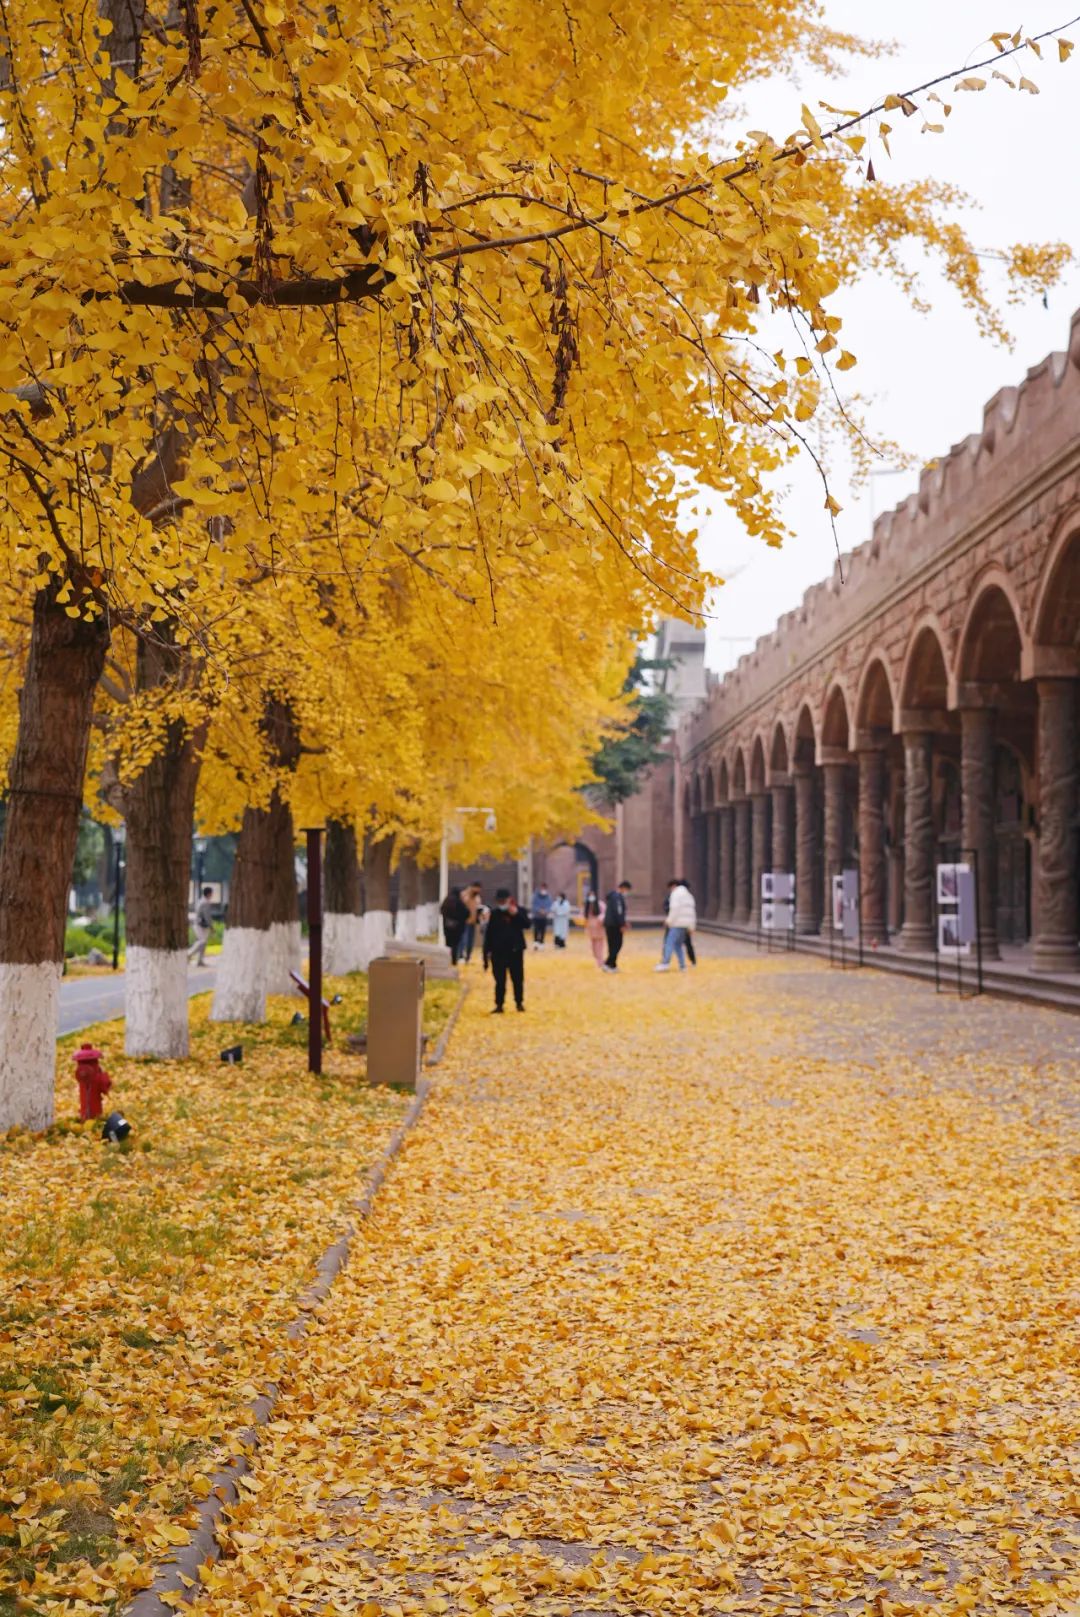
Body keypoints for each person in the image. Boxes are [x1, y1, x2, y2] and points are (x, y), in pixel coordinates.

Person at [483, 888, 530, 1012]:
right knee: (500, 980)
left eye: (504, 900)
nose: (502, 903)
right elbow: (489, 935)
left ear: (509, 900)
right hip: (498, 952)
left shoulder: (519, 911)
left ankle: (519, 1002)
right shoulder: (495, 914)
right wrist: (486, 954)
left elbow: (527, 924)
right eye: (500, 901)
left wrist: (516, 915)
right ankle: (499, 1004)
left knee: (517, 979)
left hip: (515, 951)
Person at [656, 878, 696, 971]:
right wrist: (692, 926)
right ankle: (682, 965)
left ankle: (665, 963)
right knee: (678, 945)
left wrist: (669, 921)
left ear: (674, 886)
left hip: (677, 923)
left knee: (669, 943)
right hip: (686, 924)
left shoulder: (676, 894)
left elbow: (674, 909)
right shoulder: (689, 896)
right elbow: (693, 912)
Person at [602, 880, 632, 972]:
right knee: (617, 944)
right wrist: (622, 924)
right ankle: (608, 964)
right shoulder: (617, 897)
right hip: (614, 925)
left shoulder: (612, 896)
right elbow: (618, 912)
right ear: (623, 888)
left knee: (612, 945)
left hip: (609, 924)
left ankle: (612, 965)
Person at [440, 886, 468, 963]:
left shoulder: (446, 901)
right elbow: (466, 913)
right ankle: (454, 960)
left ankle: (446, 959)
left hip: (447, 927)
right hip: (457, 929)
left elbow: (441, 911)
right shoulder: (459, 902)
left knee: (448, 944)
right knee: (455, 945)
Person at [188, 886, 214, 965]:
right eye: (212, 893)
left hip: (200, 924)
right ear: (209, 894)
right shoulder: (205, 902)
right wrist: (211, 926)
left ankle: (200, 960)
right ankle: (189, 954)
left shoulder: (201, 901)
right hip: (200, 925)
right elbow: (207, 916)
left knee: (204, 942)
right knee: (202, 941)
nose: (212, 895)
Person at [459, 885, 481, 964]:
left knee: (470, 941)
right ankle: (461, 956)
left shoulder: (477, 897)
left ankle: (468, 956)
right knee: (464, 939)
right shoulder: (465, 895)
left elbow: (477, 908)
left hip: (473, 922)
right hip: (465, 922)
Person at [583, 894, 606, 966]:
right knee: (593, 947)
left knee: (599, 946)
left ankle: (600, 961)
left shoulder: (601, 904)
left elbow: (604, 913)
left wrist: (601, 918)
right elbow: (584, 916)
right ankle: (598, 959)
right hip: (591, 928)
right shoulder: (587, 905)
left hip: (599, 928)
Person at [531, 883, 553, 948]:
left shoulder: (548, 897)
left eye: (544, 888)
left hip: (544, 917)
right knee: (536, 929)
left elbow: (549, 906)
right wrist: (539, 910)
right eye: (542, 888)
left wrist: (546, 911)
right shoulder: (535, 896)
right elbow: (533, 905)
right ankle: (536, 942)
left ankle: (541, 942)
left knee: (543, 930)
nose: (543, 890)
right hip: (536, 916)